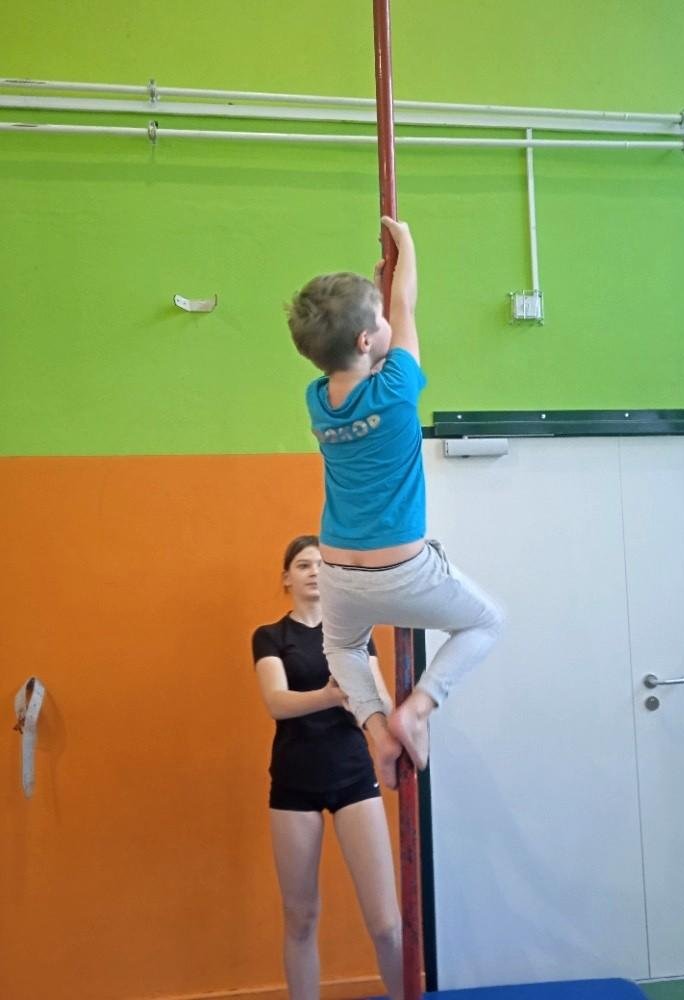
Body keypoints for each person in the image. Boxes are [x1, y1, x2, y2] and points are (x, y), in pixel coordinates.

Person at [286, 217, 506, 790]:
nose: (389, 320)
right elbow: (405, 308)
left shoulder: (317, 399)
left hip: (339, 571)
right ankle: (419, 709)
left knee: (343, 648)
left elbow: (376, 341)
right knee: (486, 622)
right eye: (378, 320)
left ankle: (377, 726)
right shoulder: (399, 388)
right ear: (366, 340)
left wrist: (375, 296)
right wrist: (405, 245)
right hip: (403, 571)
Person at [252, 535, 403, 1000]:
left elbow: (380, 701)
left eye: (322, 564)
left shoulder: (354, 633)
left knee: (386, 923)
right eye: (303, 565)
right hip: (294, 783)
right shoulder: (270, 636)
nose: (314, 571)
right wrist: (333, 695)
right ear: (286, 578)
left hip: (353, 776)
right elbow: (277, 703)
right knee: (300, 918)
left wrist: (391, 714)